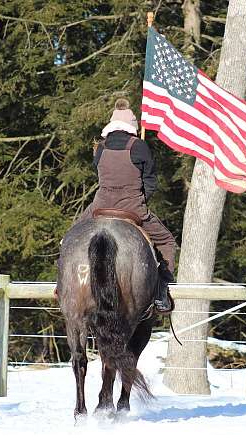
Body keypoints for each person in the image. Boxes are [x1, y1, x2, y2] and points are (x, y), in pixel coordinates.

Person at [78, 98, 176, 313]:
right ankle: (161, 292)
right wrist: (140, 199)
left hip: (100, 204)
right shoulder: (138, 146)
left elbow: (100, 175)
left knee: (70, 237)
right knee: (167, 241)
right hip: (133, 206)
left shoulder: (100, 148)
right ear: (132, 125)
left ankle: (62, 284)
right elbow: (150, 182)